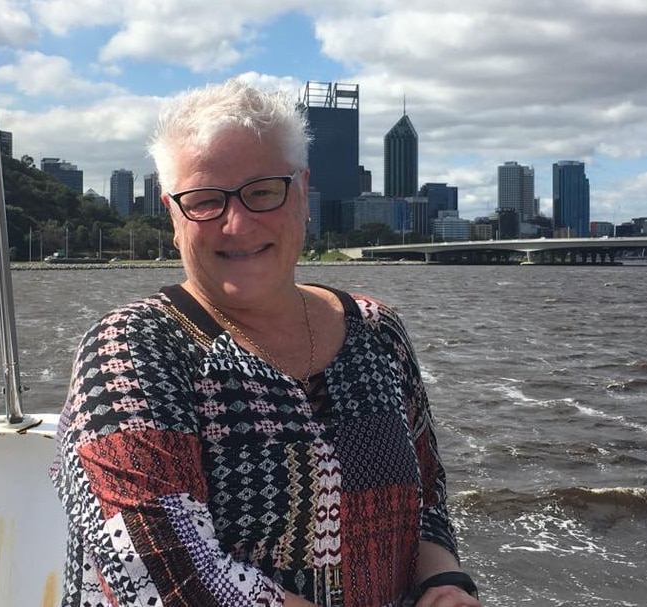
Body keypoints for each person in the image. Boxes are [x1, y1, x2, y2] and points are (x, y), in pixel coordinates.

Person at [50, 78, 482, 607]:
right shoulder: (131, 348)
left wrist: (444, 581)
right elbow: (164, 577)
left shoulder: (376, 329)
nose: (237, 223)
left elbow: (428, 492)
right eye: (205, 200)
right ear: (172, 214)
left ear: (302, 192)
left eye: (262, 192)